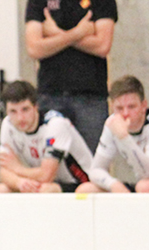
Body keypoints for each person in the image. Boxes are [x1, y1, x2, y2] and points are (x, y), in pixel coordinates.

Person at [25, 0, 117, 153]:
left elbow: (102, 46)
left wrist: (55, 33)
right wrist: (79, 33)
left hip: (91, 98)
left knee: (93, 162)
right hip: (50, 96)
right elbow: (34, 48)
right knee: (51, 161)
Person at [0, 80, 93, 194]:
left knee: (46, 190)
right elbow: (3, 173)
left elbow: (46, 175)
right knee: (0, 189)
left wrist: (17, 168)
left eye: (25, 109)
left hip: (79, 183)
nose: (20, 118)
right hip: (45, 182)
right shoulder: (8, 125)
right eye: (13, 111)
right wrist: (20, 182)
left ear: (36, 107)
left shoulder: (55, 125)